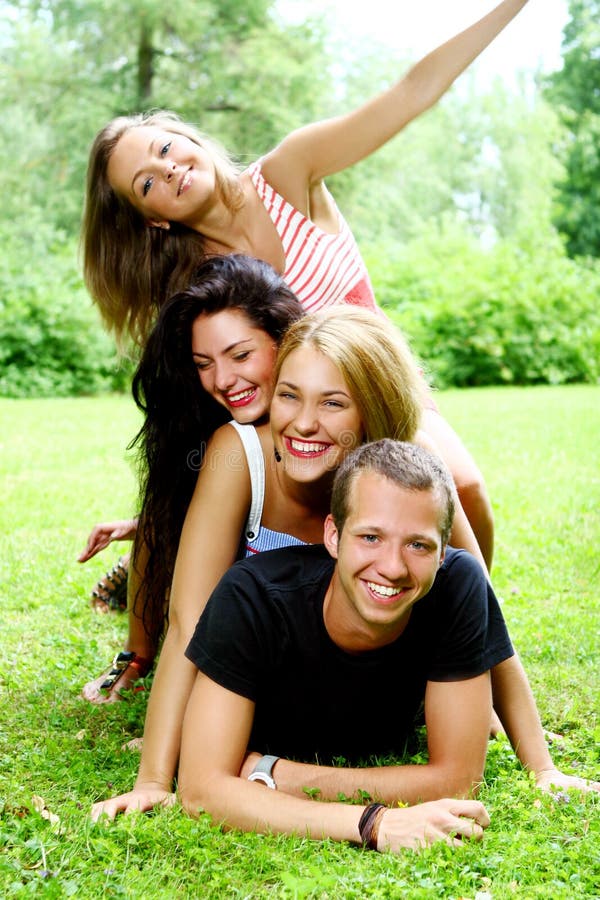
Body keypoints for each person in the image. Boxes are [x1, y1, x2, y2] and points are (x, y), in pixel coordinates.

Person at [91, 307, 598, 821]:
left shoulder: (409, 464)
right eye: (289, 395)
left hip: (369, 670)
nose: (303, 422)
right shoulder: (241, 455)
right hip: (256, 668)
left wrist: (538, 761)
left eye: (332, 403)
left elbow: (478, 600)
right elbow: (189, 622)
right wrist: (155, 775)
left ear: (373, 409)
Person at [82, 1, 532, 566]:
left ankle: (464, 615)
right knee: (327, 527)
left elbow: (412, 90)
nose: (166, 168)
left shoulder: (288, 171)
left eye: (164, 148)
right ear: (153, 219)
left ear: (185, 137)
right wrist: (159, 517)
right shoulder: (198, 284)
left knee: (462, 488)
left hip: (380, 383)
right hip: (301, 416)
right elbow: (205, 405)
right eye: (146, 183)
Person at [177, 440, 510, 852]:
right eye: (370, 537)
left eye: (418, 545)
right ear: (333, 536)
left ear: (443, 552)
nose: (392, 567)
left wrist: (277, 774)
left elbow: (458, 780)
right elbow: (200, 791)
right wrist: (373, 823)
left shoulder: (457, 584)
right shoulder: (253, 597)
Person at [80, 254, 305, 698]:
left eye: (241, 355)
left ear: (286, 338)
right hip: (228, 579)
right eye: (204, 363)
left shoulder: (335, 412)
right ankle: (133, 602)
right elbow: (166, 515)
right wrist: (137, 655)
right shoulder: (211, 432)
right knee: (163, 521)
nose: (223, 380)